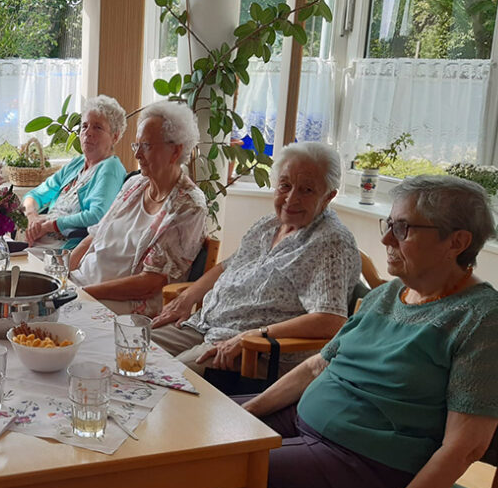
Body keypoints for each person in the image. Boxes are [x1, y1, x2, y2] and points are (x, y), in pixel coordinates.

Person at [7, 174, 498, 488]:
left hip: (367, 459)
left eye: (403, 228)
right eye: (389, 223)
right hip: (307, 421)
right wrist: (247, 411)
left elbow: (466, 445)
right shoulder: (389, 295)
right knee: (193, 424)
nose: (386, 237)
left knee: (213, 468)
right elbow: (318, 366)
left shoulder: (484, 320)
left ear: (457, 242)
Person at [150, 141, 360, 375]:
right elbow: (228, 266)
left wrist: (255, 335)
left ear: (328, 196)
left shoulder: (330, 243)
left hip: (253, 351)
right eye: (285, 186)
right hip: (204, 325)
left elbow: (331, 320)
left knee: (162, 375)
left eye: (307, 190)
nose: (291, 199)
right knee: (132, 347)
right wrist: (187, 297)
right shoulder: (269, 224)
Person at [67, 102, 207, 317]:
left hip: (124, 304)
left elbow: (150, 283)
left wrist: (82, 294)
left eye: (147, 146)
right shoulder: (135, 184)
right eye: (137, 146)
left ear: (175, 151)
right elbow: (95, 235)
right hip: (83, 286)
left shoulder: (189, 206)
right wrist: (65, 275)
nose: (138, 155)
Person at [22, 95, 128, 246]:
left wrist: (50, 225)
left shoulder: (110, 168)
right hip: (40, 241)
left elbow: (97, 215)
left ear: (114, 137)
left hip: (66, 249)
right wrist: (32, 216)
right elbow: (34, 195)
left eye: (97, 127)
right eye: (84, 126)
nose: (88, 132)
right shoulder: (77, 164)